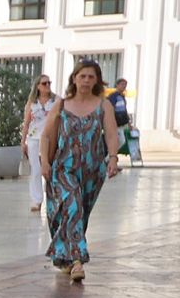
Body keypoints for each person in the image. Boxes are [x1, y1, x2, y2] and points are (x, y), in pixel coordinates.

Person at [40, 59, 121, 283]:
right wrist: (44, 162)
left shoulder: (104, 106)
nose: (86, 80)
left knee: (79, 213)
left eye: (90, 77)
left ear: (97, 81)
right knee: (72, 205)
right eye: (82, 76)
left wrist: (113, 158)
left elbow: (111, 134)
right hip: (63, 167)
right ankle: (77, 261)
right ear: (74, 78)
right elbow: (46, 136)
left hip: (93, 171)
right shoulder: (61, 105)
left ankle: (64, 257)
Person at [19, 74, 57, 213]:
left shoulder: (56, 101)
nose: (47, 86)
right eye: (44, 83)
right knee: (35, 169)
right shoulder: (32, 103)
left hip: (51, 139)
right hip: (34, 138)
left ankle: (54, 198)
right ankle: (36, 200)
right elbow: (26, 123)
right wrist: (23, 141)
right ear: (38, 86)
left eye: (49, 83)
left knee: (51, 168)